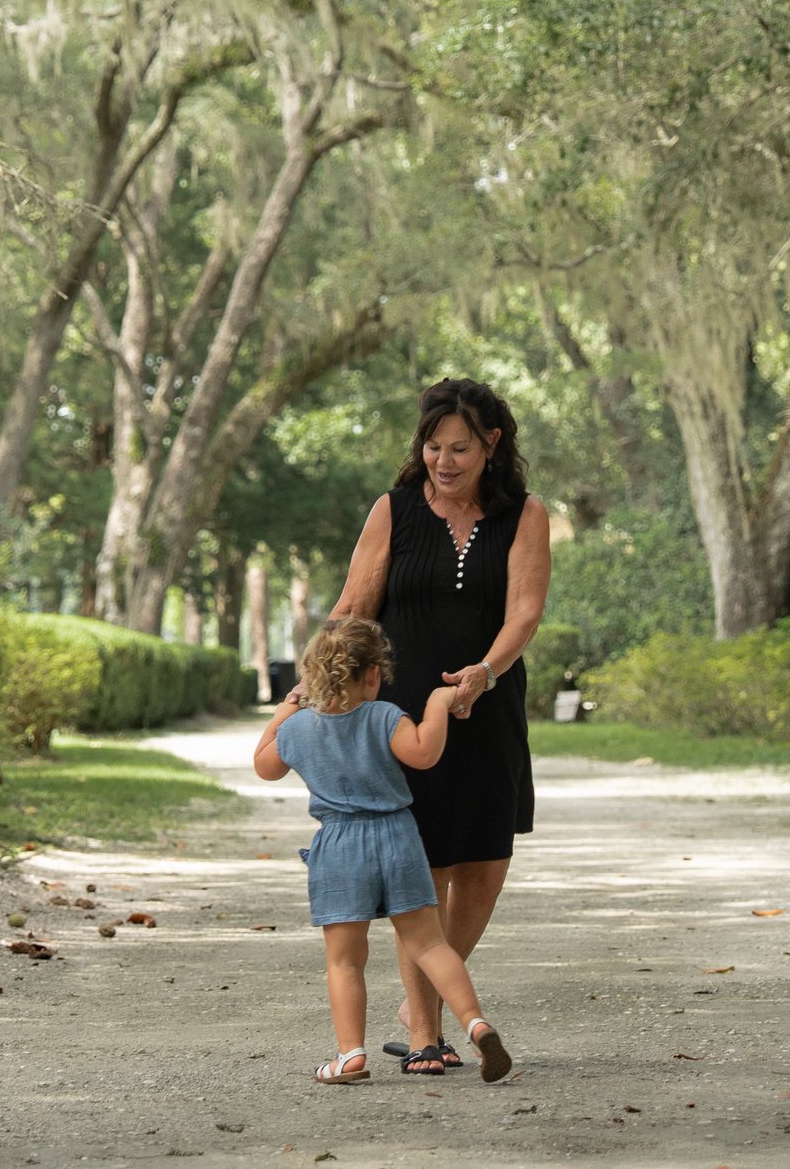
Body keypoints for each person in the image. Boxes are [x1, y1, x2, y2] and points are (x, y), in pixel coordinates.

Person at [327, 376, 548, 1076]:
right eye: (432, 446)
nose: (443, 461)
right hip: (399, 715)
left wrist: (486, 668)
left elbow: (524, 613)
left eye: (459, 447)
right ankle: (426, 1031)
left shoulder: (525, 513)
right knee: (419, 869)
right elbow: (354, 603)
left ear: (493, 443)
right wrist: (320, 678)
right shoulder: (393, 510)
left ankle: (421, 988)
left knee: (483, 864)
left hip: (486, 709)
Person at [253, 618, 515, 1086]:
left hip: (338, 849)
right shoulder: (385, 717)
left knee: (345, 960)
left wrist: (286, 708)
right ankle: (476, 1023)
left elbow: (264, 766)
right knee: (430, 944)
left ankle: (350, 1055)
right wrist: (437, 701)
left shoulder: (297, 732)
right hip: (397, 838)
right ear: (373, 675)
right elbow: (425, 753)